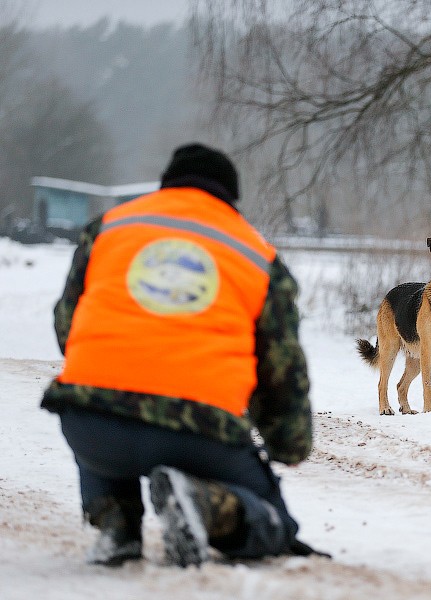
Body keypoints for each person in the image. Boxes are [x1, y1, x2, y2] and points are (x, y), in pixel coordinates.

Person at [41, 143, 327, 567]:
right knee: (274, 525)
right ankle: (208, 505)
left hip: (92, 427)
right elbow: (281, 369)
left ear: (166, 184)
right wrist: (288, 444)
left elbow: (68, 322)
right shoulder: (257, 256)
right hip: (199, 434)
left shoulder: (110, 227)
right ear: (231, 197)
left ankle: (115, 523)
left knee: (96, 394)